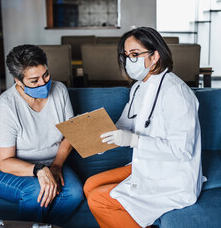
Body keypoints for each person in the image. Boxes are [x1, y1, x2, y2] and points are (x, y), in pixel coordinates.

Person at [84, 27, 204, 228]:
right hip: (146, 164)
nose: (129, 61)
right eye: (126, 56)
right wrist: (96, 133)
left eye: (134, 55)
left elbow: (182, 151)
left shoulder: (176, 92)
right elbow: (124, 125)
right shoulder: (139, 86)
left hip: (171, 177)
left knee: (99, 200)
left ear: (154, 56)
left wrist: (132, 140)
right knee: (90, 185)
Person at [0, 45, 83, 225]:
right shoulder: (6, 105)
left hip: (50, 162)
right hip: (6, 169)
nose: (43, 84)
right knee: (37, 191)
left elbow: (70, 133)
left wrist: (57, 165)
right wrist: (39, 170)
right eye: (34, 81)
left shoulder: (59, 90)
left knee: (74, 193)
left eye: (45, 75)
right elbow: (4, 161)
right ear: (18, 81)